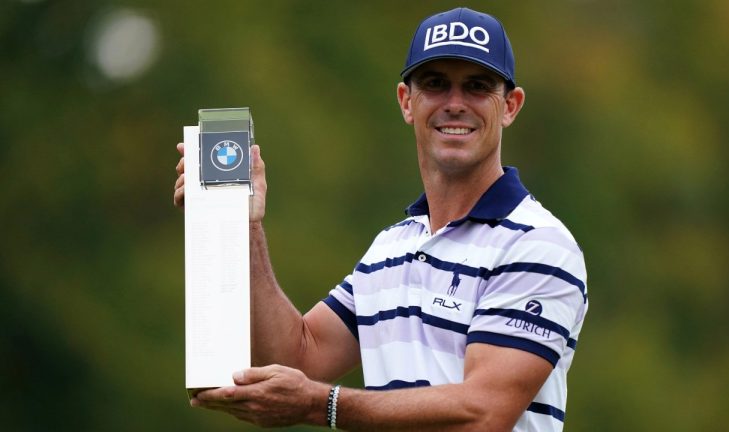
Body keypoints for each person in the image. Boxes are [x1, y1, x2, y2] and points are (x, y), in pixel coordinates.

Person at [173, 7, 587, 431]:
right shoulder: (391, 248)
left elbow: (483, 413)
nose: (455, 104)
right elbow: (297, 357)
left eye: (477, 87)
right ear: (407, 102)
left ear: (510, 107)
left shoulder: (538, 244)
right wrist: (243, 229)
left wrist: (322, 406)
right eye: (435, 84)